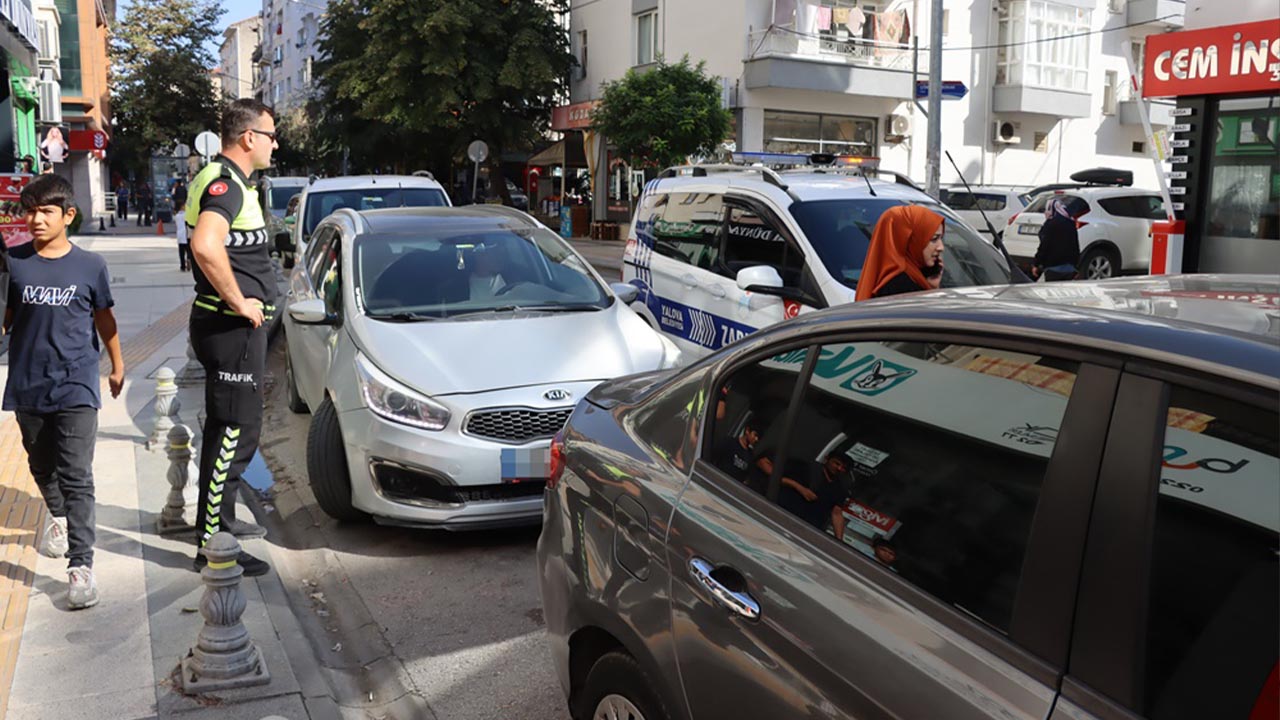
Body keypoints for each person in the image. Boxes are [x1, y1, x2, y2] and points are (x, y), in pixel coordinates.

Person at [3, 174, 124, 610]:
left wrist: (117, 363)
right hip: (28, 382)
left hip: (76, 381)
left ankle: (81, 567)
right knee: (40, 463)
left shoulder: (90, 266)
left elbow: (104, 318)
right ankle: (56, 516)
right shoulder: (14, 263)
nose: (35, 219)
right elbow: (6, 319)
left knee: (77, 475)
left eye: (45, 211)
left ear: (68, 215)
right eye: (30, 211)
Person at [186, 98, 279, 576]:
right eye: (270, 135)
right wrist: (241, 300)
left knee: (225, 430)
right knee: (235, 435)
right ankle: (214, 543)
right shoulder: (227, 185)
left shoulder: (227, 180)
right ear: (249, 138)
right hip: (230, 330)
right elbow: (205, 244)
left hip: (224, 328)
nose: (274, 143)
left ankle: (212, 525)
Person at [854, 205, 946, 301]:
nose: (941, 247)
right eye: (934, 239)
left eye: (940, 238)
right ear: (911, 241)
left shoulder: (918, 276)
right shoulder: (900, 288)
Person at [777, 453, 852, 540]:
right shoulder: (808, 468)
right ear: (827, 459)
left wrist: (839, 540)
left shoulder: (841, 487)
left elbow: (837, 513)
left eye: (843, 468)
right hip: (787, 516)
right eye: (836, 464)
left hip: (811, 529)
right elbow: (778, 478)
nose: (839, 468)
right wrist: (801, 488)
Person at [1032, 198, 1080, 282]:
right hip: (1069, 268)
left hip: (1052, 267)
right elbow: (1075, 246)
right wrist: (1076, 266)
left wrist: (1036, 263)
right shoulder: (1071, 223)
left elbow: (1044, 246)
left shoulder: (1049, 224)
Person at [173, 180, 190, 271]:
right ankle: (189, 261)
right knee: (188, 251)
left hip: (180, 236)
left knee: (181, 252)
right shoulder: (186, 215)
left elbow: (173, 196)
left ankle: (182, 265)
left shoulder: (177, 216)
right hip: (187, 236)